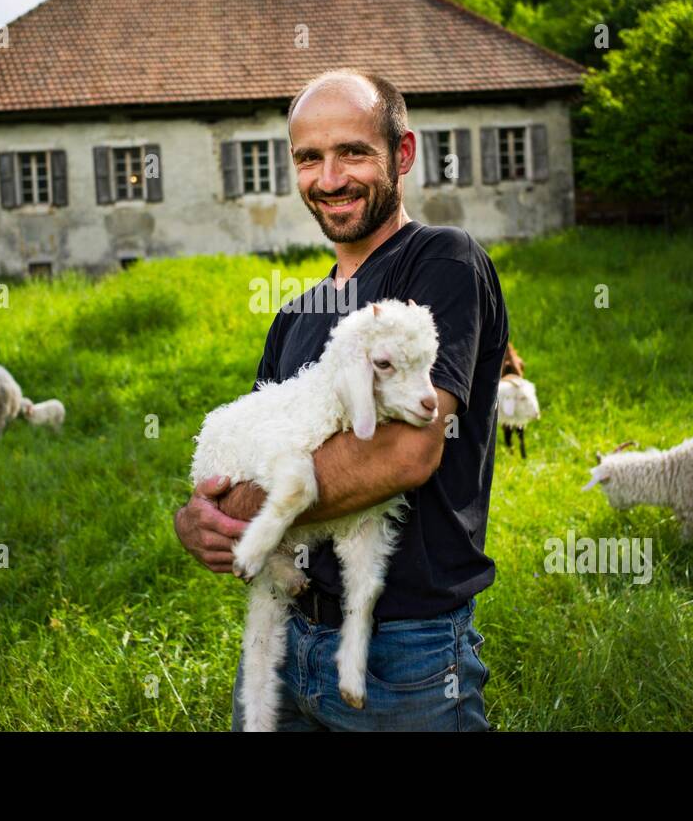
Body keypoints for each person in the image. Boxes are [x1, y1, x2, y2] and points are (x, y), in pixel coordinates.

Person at [174, 69, 509, 730]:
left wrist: (234, 508)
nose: (329, 179)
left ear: (402, 154)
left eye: (353, 152)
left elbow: (407, 452)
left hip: (405, 653)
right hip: (281, 640)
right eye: (309, 158)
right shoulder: (295, 316)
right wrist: (195, 521)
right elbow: (251, 457)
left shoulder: (442, 262)